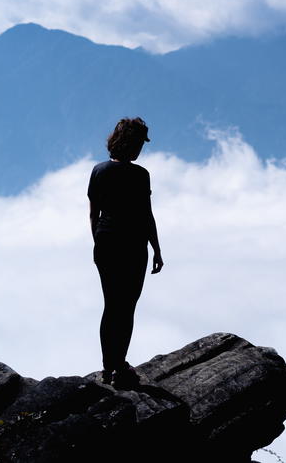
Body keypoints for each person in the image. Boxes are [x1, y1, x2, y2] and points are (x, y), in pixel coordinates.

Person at [88, 117, 163, 388]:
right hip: (132, 246)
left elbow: (93, 213)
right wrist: (156, 248)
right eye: (140, 143)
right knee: (126, 307)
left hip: (106, 244)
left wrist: (98, 240)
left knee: (112, 306)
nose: (141, 149)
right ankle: (118, 367)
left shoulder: (99, 171)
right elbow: (146, 215)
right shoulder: (140, 175)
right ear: (131, 144)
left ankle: (110, 367)